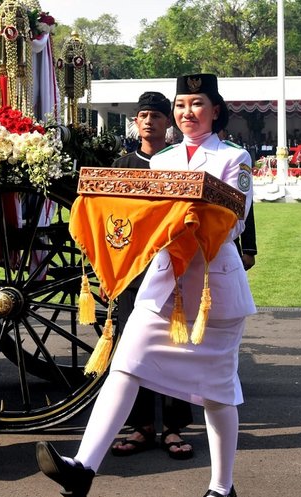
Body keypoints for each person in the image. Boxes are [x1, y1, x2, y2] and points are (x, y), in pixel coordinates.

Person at [36, 73, 255, 497]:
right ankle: (82, 468)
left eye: (197, 104)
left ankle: (221, 487)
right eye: (181, 105)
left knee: (217, 390)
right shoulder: (161, 161)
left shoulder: (235, 156)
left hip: (214, 287)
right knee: (124, 367)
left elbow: (235, 221)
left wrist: (185, 212)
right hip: (162, 284)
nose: (187, 112)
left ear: (215, 110)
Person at [108, 91, 195, 461]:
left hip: (173, 265)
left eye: (156, 115)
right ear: (135, 121)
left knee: (175, 343)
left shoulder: (179, 163)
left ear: (167, 123)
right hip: (132, 268)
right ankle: (141, 425)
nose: (148, 121)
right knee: (134, 344)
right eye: (142, 115)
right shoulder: (122, 164)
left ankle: (174, 426)